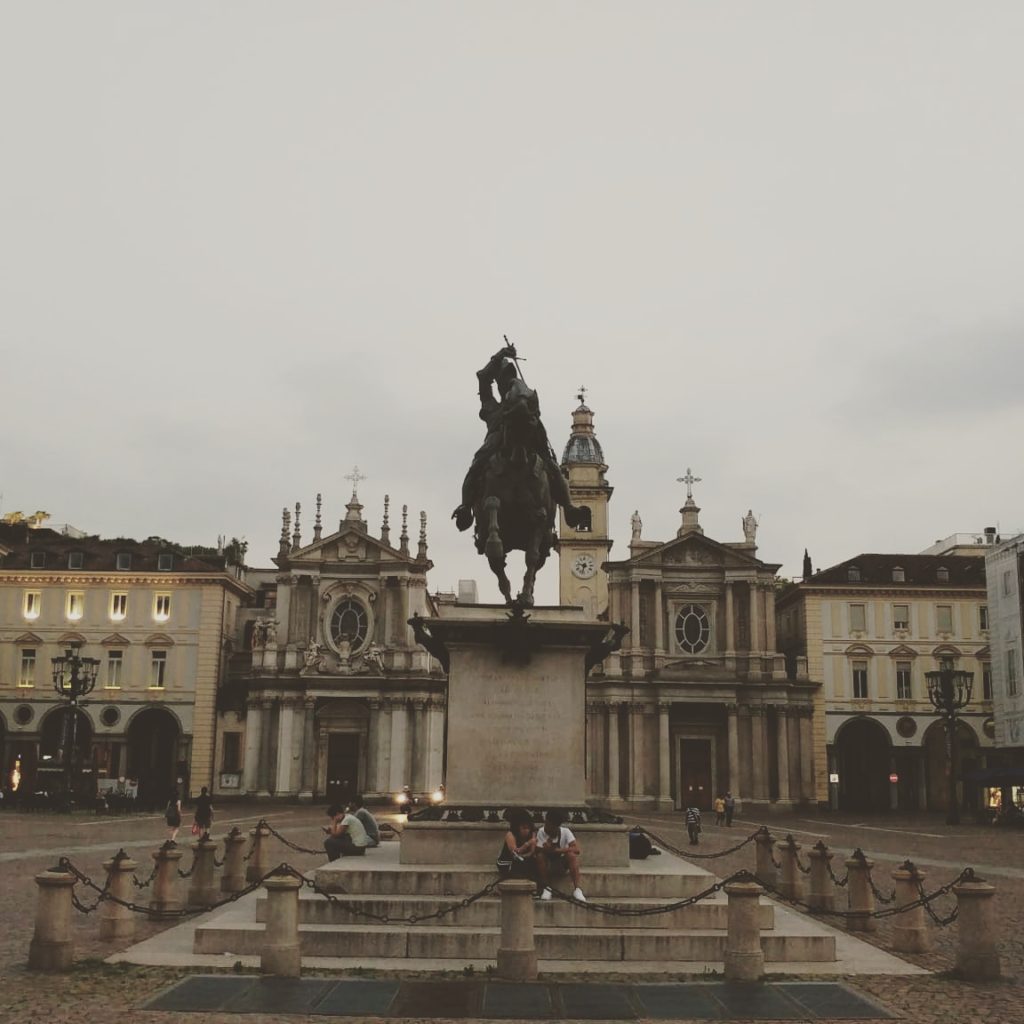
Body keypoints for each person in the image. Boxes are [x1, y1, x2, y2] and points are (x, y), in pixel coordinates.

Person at [452, 344, 582, 532]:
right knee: (477, 464)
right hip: (498, 439)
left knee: (552, 466)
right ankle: (465, 506)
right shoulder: (492, 406)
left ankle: (568, 507)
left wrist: (529, 412)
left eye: (509, 376)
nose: (507, 380)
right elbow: (482, 377)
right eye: (503, 377)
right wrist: (499, 356)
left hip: (531, 434)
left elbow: (534, 409)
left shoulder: (522, 392)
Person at [535, 810, 585, 902]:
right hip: (548, 864)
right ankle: (546, 887)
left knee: (571, 855)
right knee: (540, 856)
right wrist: (545, 849)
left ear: (556, 827)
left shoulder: (565, 832)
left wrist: (558, 850)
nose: (547, 828)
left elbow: (576, 849)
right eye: (546, 824)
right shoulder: (541, 832)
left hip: (562, 863)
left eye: (550, 826)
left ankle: (577, 889)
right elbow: (537, 849)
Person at [496, 808, 538, 885]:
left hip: (523, 858)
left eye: (528, 828)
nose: (527, 831)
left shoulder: (532, 833)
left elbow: (531, 852)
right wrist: (527, 844)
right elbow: (514, 853)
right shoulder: (510, 835)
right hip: (508, 861)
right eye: (524, 828)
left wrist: (524, 857)